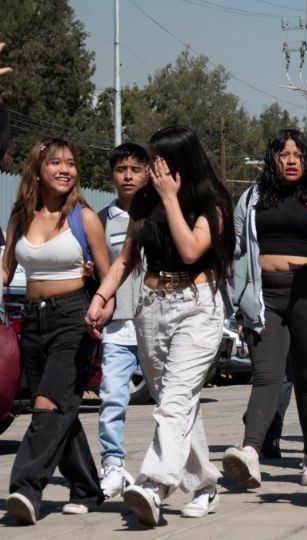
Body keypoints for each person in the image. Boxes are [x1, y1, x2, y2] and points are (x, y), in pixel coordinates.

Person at [85, 125, 236, 527]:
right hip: (151, 308)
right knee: (177, 402)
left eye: (157, 159)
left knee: (173, 401)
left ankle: (153, 484)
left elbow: (189, 250)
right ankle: (205, 485)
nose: (150, 168)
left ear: (179, 160)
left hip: (197, 308)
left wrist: (170, 198)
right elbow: (124, 260)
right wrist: (101, 297)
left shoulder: (213, 202)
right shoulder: (144, 202)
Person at [224, 130, 307, 490]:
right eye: (283, 154)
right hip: (265, 296)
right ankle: (250, 451)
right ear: (272, 159)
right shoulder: (251, 198)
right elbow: (236, 250)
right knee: (267, 375)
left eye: (297, 154)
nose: (291, 160)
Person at [4, 139, 111, 525]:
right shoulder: (20, 215)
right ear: (38, 169)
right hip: (31, 320)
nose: (65, 169)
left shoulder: (85, 218)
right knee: (61, 407)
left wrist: (102, 308)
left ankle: (25, 489)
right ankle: (87, 489)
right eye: (56, 163)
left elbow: (107, 274)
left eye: (71, 163)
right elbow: (5, 269)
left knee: (46, 405)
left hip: (73, 318)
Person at [97, 143, 151, 499]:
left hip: (157, 324)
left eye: (135, 169)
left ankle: (174, 471)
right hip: (118, 325)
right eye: (121, 170)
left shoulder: (161, 212)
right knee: (112, 397)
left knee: (174, 404)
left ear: (147, 172)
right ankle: (113, 465)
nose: (128, 176)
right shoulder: (102, 219)